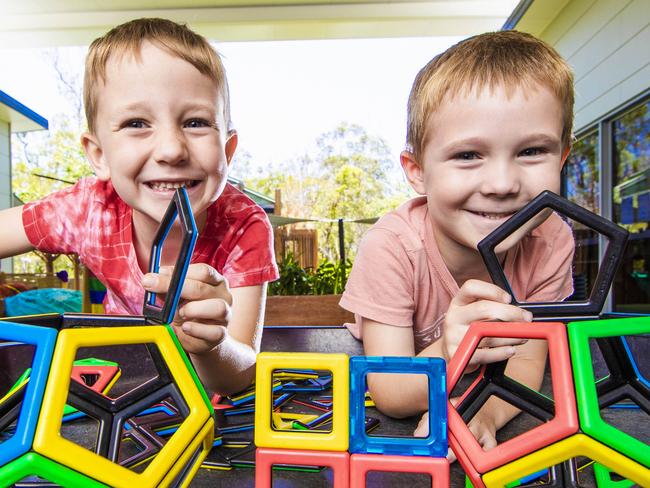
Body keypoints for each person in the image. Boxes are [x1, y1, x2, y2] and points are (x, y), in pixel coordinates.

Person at [0, 18, 279, 395]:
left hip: (204, 402)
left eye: (195, 122)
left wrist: (213, 344)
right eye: (137, 123)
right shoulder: (89, 209)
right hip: (120, 386)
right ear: (99, 156)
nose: (171, 150)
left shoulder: (244, 226)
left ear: (227, 152)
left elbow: (239, 372)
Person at [339, 30, 575, 455]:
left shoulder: (551, 240)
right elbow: (391, 394)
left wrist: (481, 412)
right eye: (468, 155)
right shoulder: (391, 246)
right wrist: (454, 346)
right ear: (417, 172)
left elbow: (525, 365)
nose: (502, 184)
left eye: (532, 151)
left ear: (561, 158)